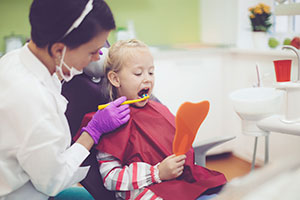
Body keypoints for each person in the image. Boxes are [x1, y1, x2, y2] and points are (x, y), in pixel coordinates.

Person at [0, 0, 130, 199]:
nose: (98, 59)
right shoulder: (33, 101)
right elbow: (52, 182)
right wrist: (92, 132)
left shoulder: (14, 58)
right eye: (92, 52)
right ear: (59, 50)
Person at [76, 39, 227, 200]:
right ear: (115, 79)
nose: (147, 79)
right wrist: (157, 172)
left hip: (179, 185)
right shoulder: (109, 122)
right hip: (148, 192)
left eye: (151, 72)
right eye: (138, 73)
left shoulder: (158, 110)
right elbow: (111, 179)